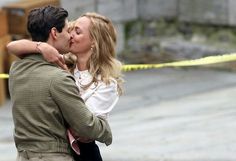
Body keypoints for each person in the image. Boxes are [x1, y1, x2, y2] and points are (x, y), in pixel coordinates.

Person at [7, 12, 124, 161]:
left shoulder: (106, 82)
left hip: (83, 153)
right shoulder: (61, 61)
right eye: (70, 29)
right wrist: (41, 47)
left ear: (94, 41)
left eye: (77, 31)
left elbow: (82, 126)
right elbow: (11, 46)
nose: (71, 35)